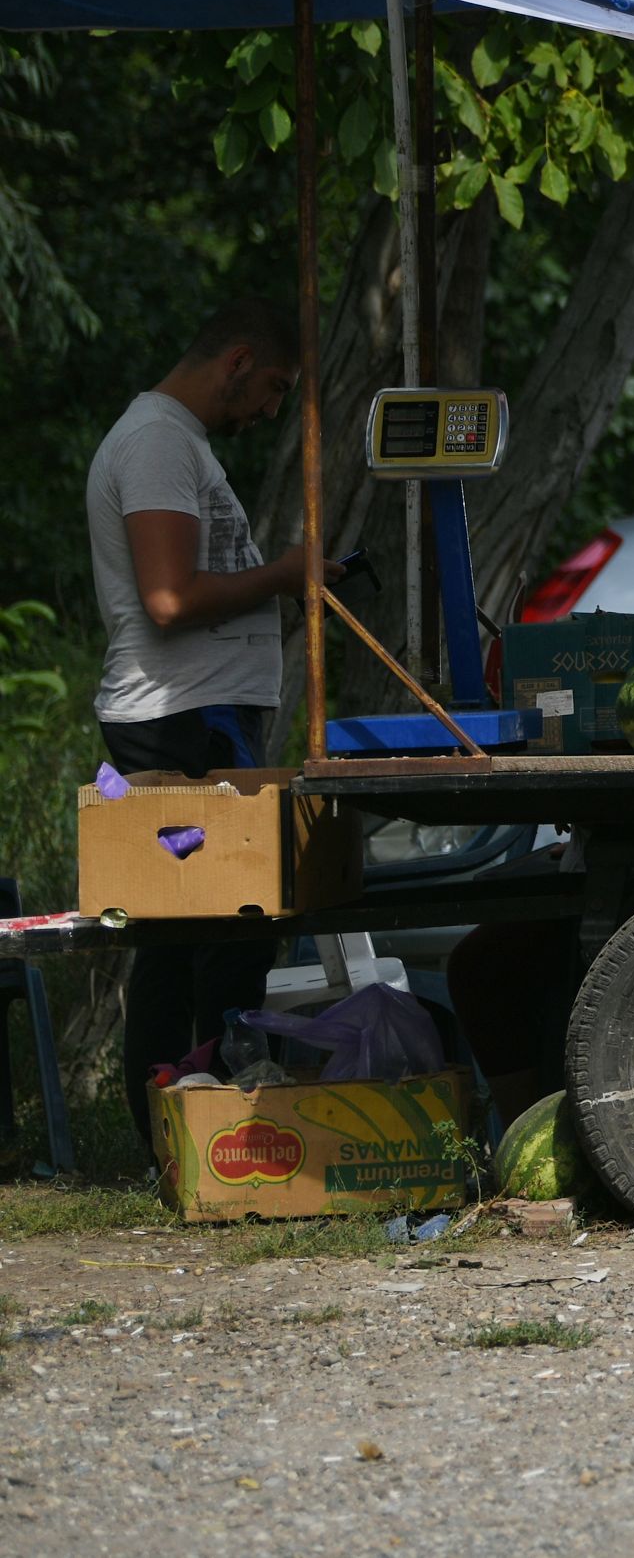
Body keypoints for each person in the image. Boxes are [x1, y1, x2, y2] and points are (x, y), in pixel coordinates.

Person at [87, 293, 317, 1124]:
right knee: (213, 920)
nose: (268, 411)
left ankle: (188, 1111)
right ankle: (192, 1115)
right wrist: (289, 572)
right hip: (181, 719)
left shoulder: (176, 442)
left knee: (210, 926)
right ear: (239, 362)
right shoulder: (155, 442)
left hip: (207, 710)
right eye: (275, 390)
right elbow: (169, 596)